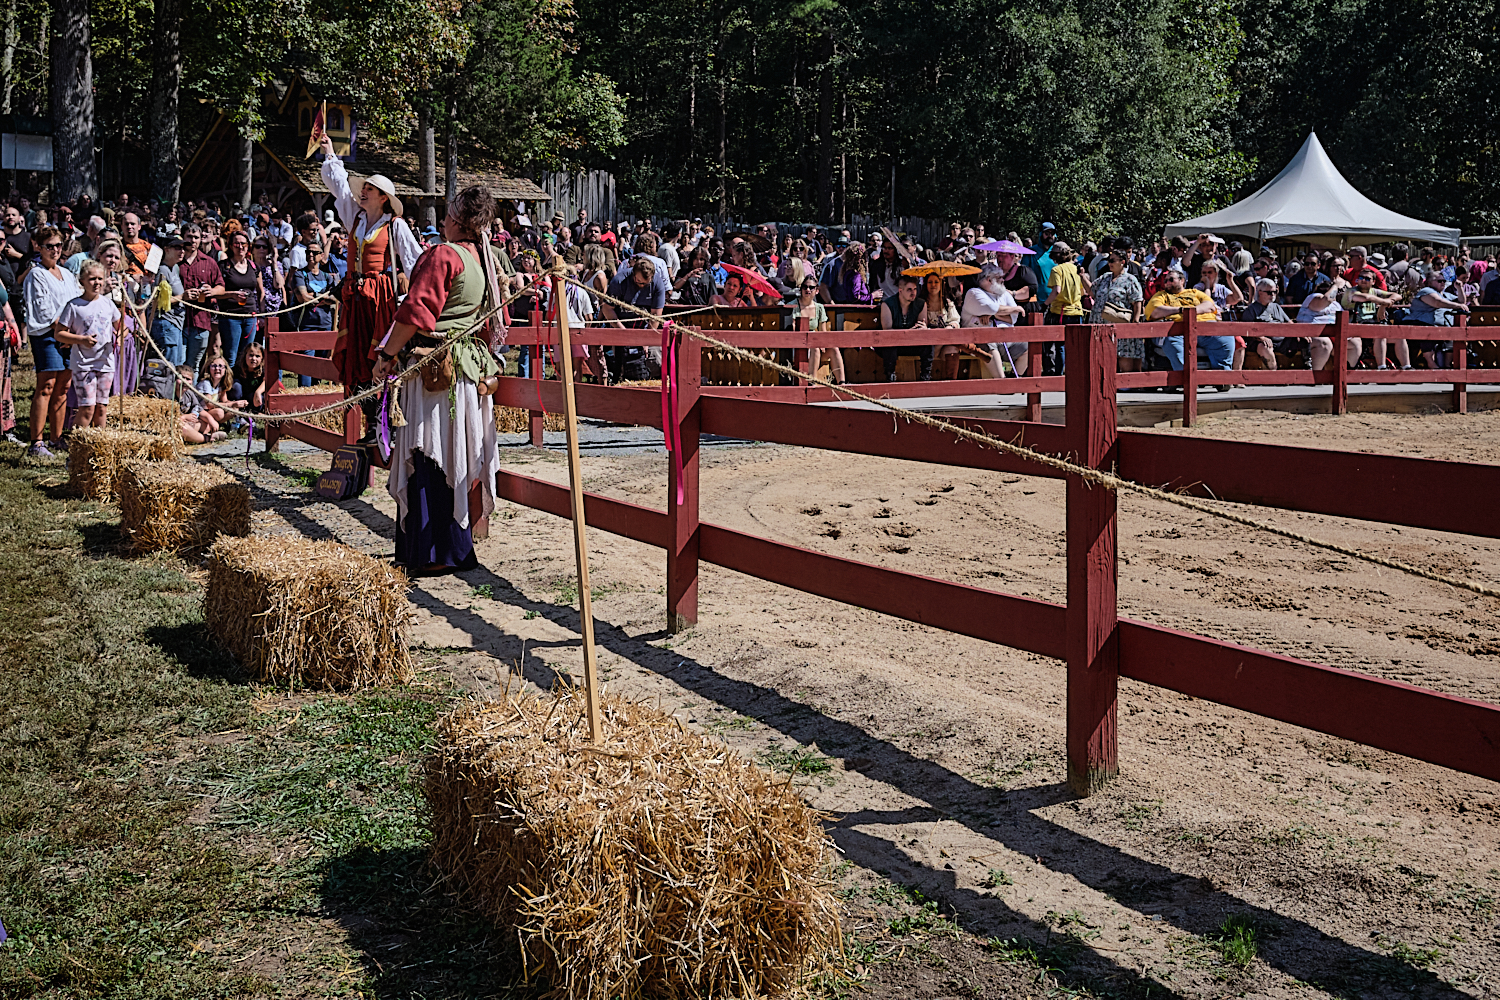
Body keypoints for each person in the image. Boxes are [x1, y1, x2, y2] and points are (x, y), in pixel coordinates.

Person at [370, 185, 502, 576]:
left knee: (428, 453)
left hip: (434, 372)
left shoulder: (445, 254)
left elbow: (416, 313)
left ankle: (431, 552)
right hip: (461, 371)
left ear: (458, 219)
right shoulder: (482, 258)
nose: (442, 219)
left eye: (448, 213)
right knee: (450, 454)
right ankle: (450, 548)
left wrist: (386, 354)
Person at [319, 131, 421, 439]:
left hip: (381, 298)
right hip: (355, 297)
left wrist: (412, 299)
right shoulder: (356, 219)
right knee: (355, 357)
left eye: (369, 188)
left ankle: (386, 417)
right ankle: (370, 419)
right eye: (363, 187)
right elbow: (338, 186)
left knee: (378, 356)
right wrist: (329, 152)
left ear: (383, 197)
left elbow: (415, 261)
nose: (362, 192)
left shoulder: (396, 225)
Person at [23, 227, 82, 456]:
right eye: (49, 246)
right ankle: (37, 442)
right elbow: (44, 310)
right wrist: (63, 331)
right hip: (47, 334)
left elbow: (76, 302)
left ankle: (56, 437)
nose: (55, 250)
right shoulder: (37, 274)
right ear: (39, 247)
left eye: (58, 245)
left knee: (63, 387)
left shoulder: (67, 274)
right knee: (46, 385)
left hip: (67, 334)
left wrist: (72, 333)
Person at [52, 260, 123, 429]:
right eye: (92, 279)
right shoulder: (74, 306)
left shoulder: (108, 304)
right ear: (82, 281)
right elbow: (59, 333)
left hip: (105, 363)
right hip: (83, 364)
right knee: (87, 409)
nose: (96, 282)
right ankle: (77, 450)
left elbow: (121, 327)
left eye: (100, 278)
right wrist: (81, 340)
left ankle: (99, 447)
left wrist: (119, 336)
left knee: (101, 408)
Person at [1143, 268, 1232, 378]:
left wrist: (1191, 312)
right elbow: (1155, 311)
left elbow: (1209, 305)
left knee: (1226, 338)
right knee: (1172, 343)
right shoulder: (1161, 295)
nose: (1167, 283)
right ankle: (1185, 378)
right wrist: (1181, 311)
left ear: (1182, 280)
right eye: (1165, 281)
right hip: (1178, 330)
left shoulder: (1195, 293)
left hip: (1204, 327)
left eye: (1171, 279)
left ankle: (1221, 377)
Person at [961, 263, 1024, 378]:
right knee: (990, 343)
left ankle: (1014, 378)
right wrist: (1014, 308)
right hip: (980, 339)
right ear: (989, 279)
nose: (1003, 280)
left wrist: (993, 315)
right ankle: (1001, 381)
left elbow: (1013, 318)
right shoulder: (974, 293)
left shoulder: (1004, 294)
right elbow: (991, 308)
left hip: (1006, 337)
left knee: (1027, 345)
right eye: (999, 277)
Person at [1088, 251, 1144, 372]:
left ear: (1122, 262)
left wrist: (1136, 320)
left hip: (1119, 323)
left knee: (1123, 352)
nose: (1109, 263)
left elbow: (1137, 301)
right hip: (1100, 323)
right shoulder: (1105, 277)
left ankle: (1126, 383)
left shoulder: (1130, 279)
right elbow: (1092, 291)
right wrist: (1082, 277)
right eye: (1109, 260)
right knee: (1101, 353)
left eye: (1113, 260)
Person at [210, 230, 259, 367]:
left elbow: (260, 291)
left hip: (250, 315)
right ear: (230, 246)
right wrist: (232, 294)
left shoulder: (253, 266)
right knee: (231, 356)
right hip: (230, 316)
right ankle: (228, 386)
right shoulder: (223, 266)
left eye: (243, 243)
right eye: (236, 243)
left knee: (247, 356)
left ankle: (241, 386)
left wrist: (260, 315)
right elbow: (216, 292)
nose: (240, 246)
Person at [1405, 269, 1471, 369]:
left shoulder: (1445, 294)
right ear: (1430, 282)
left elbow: (1462, 301)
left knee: (1454, 334)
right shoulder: (1426, 291)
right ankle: (1431, 364)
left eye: (1444, 281)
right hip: (1420, 323)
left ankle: (1447, 366)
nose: (1443, 283)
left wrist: (1459, 288)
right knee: (1427, 333)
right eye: (1439, 281)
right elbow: (1437, 302)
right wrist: (1457, 306)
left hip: (1442, 326)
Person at [1295, 275, 1360, 371]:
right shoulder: (1313, 297)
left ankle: (1346, 372)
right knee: (1324, 343)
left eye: (1327, 290)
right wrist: (1335, 286)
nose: (1324, 293)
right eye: (1322, 290)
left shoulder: (1336, 304)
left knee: (1355, 341)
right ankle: (1315, 375)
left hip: (1333, 333)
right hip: (1311, 334)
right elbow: (1326, 299)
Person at [878, 272, 928, 380]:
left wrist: (923, 328)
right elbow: (887, 331)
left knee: (928, 343)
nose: (913, 293)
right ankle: (890, 375)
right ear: (900, 291)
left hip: (912, 343)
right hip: (895, 344)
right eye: (909, 290)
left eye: (915, 289)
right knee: (889, 345)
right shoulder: (887, 304)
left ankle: (926, 375)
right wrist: (907, 332)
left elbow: (921, 327)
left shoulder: (921, 304)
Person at [150, 236, 188, 366]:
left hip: (175, 324)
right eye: (177, 248)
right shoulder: (162, 270)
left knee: (177, 364)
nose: (182, 251)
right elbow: (158, 301)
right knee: (169, 365)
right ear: (166, 249)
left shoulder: (174, 268)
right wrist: (184, 297)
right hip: (166, 323)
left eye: (183, 248)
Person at [1238, 278, 1287, 370]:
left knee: (1309, 341)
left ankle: (1307, 373)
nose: (1272, 295)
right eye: (1269, 292)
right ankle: (1274, 374)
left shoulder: (1276, 306)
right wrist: (1261, 337)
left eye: (1274, 292)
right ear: (1260, 292)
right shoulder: (1251, 309)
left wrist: (1301, 334)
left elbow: (1289, 323)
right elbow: (1246, 330)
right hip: (1260, 341)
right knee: (1265, 347)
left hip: (1281, 339)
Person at [176, 365, 225, 444]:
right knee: (183, 428)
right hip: (178, 425)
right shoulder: (169, 395)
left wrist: (210, 420)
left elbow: (199, 410)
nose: (184, 381)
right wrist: (185, 417)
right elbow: (169, 420)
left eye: (188, 379)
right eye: (181, 378)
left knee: (206, 425)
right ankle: (207, 438)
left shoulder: (190, 394)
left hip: (189, 424)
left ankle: (192, 437)